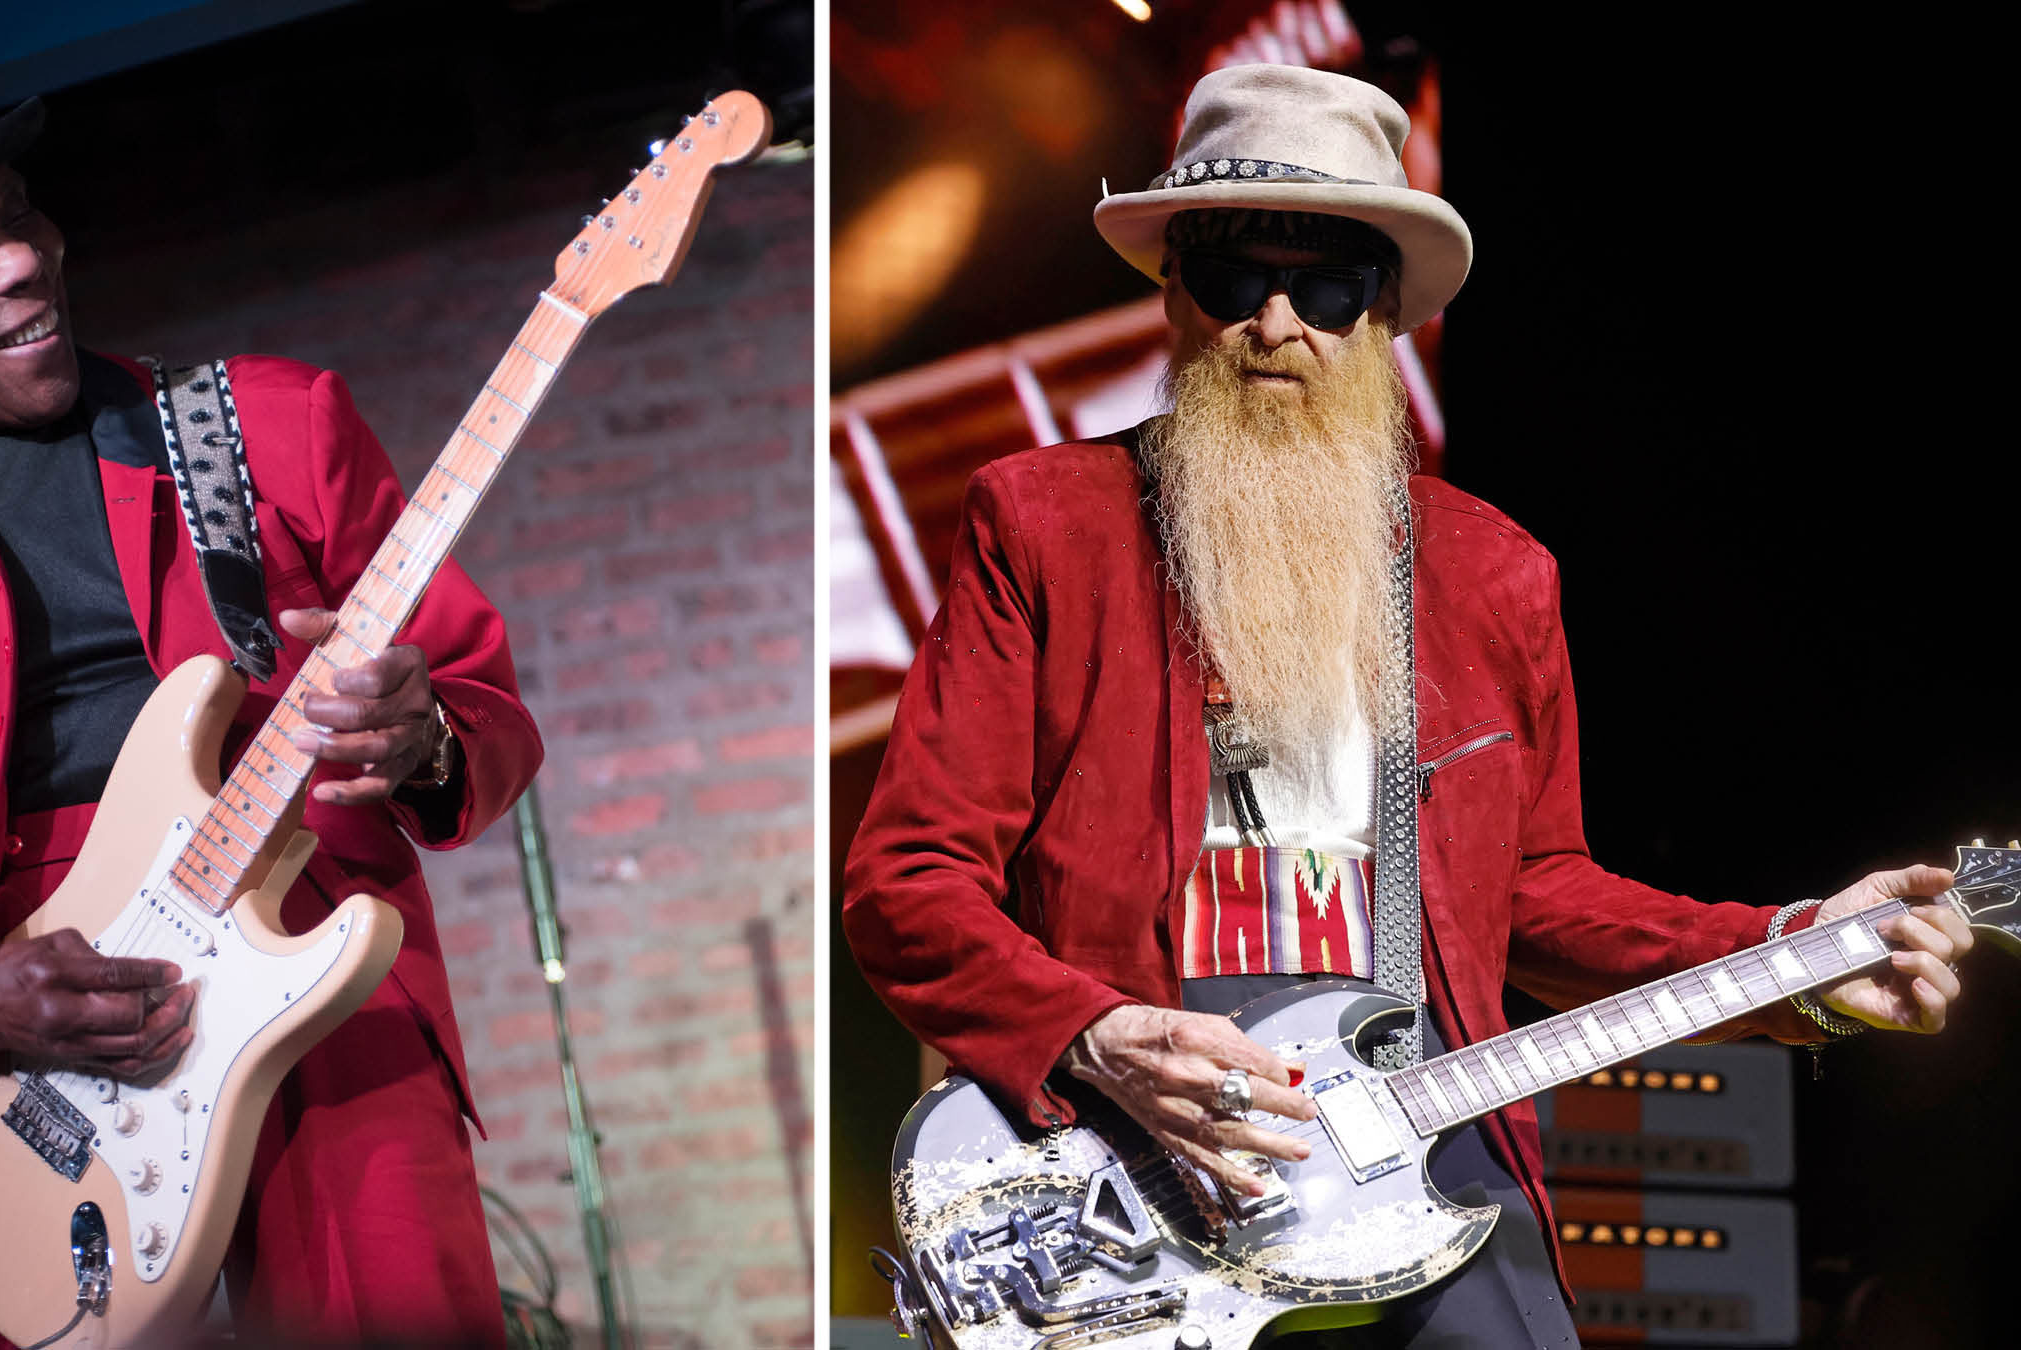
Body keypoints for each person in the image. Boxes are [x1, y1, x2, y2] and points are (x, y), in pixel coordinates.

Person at [840, 63, 1973, 1347]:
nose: (1277, 323)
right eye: (1231, 276)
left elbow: (1540, 895)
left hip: (1422, 1132)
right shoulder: (1042, 524)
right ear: (1171, 290)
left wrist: (1803, 943)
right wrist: (1096, 1036)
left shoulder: (1494, 572)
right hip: (1131, 1148)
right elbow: (908, 877)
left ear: (1385, 315)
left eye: (1327, 285)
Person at [0, 39, 537, 1346]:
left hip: (321, 1023)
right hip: (41, 1111)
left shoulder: (272, 426)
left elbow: (484, 704)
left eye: (16, 213)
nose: (23, 259)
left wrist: (424, 736)